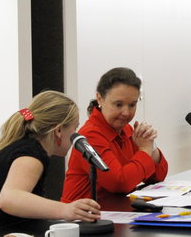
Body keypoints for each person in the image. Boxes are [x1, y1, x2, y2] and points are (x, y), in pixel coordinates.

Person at [0, 90, 101, 237]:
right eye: (75, 127)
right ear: (59, 130)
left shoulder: (24, 148)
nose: (76, 134)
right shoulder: (30, 155)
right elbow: (9, 199)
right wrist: (65, 210)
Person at [61, 67, 168, 201]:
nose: (126, 112)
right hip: (83, 217)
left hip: (115, 212)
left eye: (132, 105)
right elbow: (119, 182)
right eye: (118, 105)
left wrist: (150, 145)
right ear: (100, 98)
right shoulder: (91, 135)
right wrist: (145, 150)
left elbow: (159, 176)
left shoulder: (127, 129)